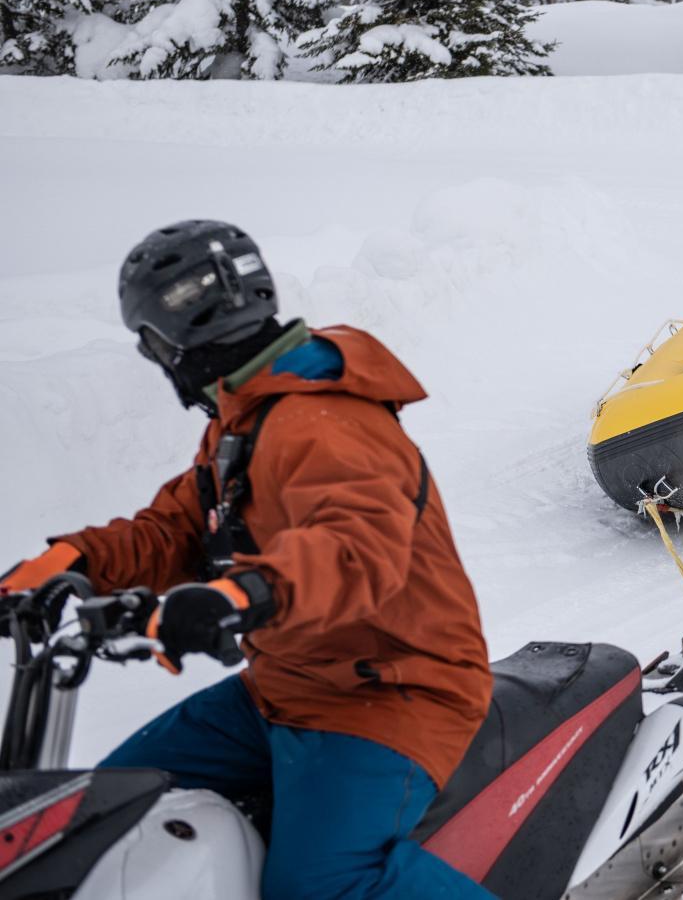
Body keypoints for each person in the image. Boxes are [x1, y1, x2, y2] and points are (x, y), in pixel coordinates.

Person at [0, 220, 495, 900]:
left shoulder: (330, 421)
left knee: (321, 885)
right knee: (104, 819)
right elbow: (174, 527)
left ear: (175, 336)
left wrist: (237, 597)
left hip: (387, 692)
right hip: (286, 686)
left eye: (150, 344)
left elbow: (353, 549)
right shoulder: (247, 417)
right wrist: (71, 558)